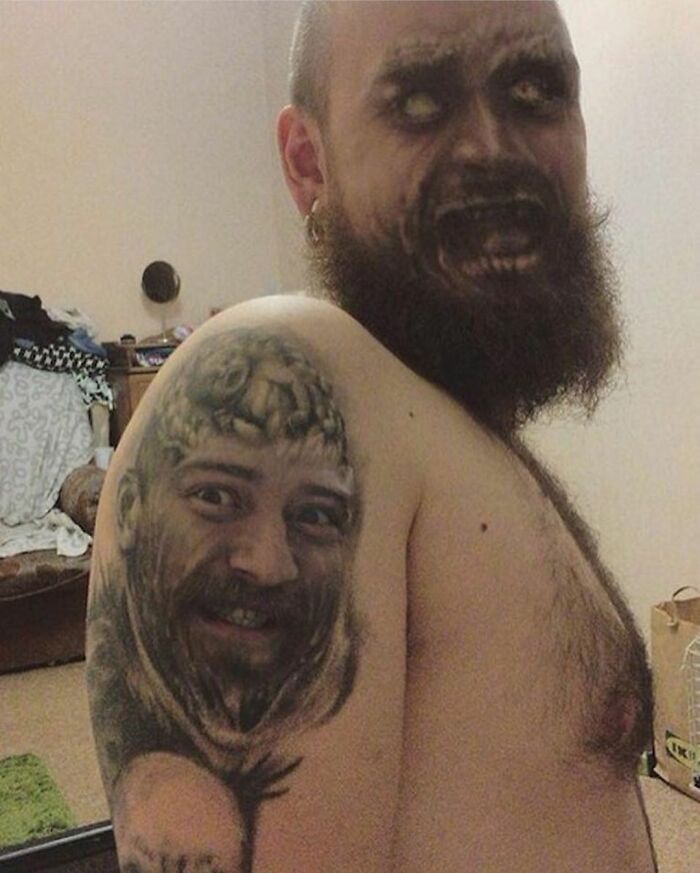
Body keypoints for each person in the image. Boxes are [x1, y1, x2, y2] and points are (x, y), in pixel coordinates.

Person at [87, 2, 657, 871]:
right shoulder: (295, 364)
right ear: (307, 162)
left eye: (536, 90)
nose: (493, 150)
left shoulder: (446, 419)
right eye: (420, 101)